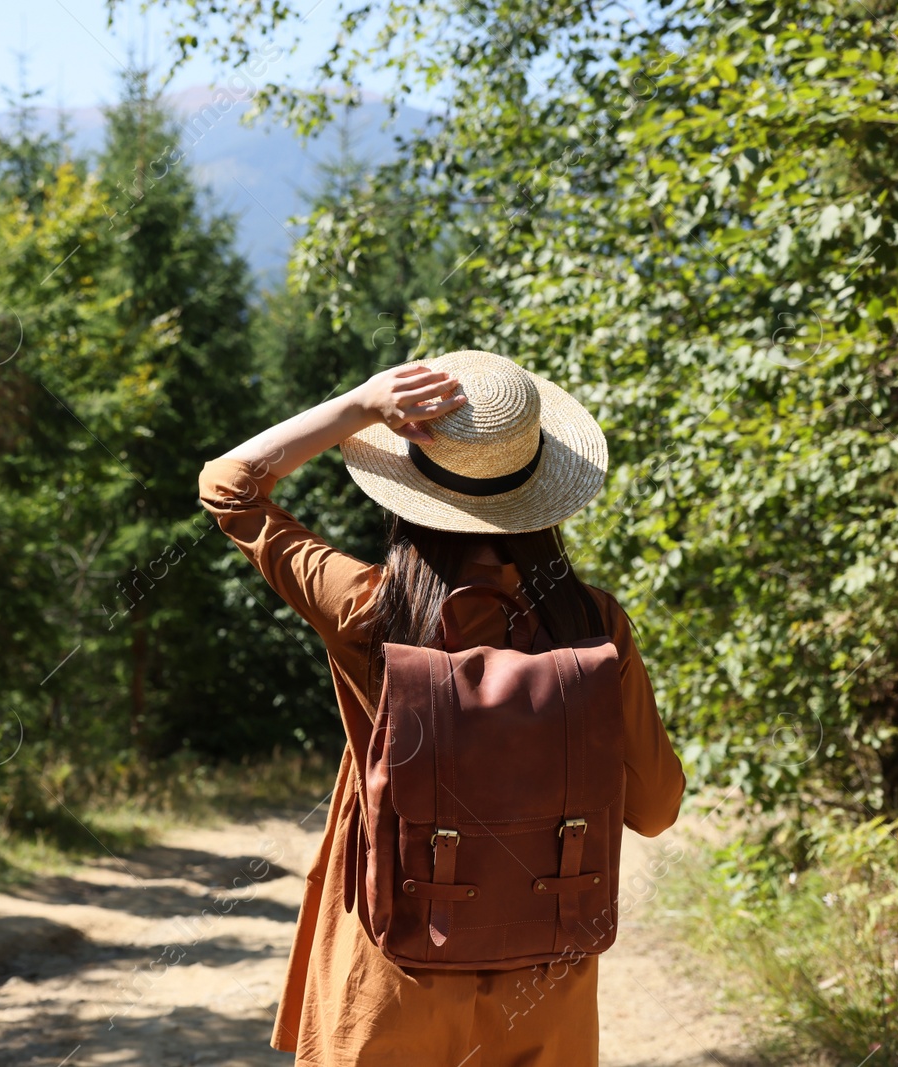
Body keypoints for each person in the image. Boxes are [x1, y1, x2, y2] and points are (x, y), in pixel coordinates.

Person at [198, 351, 686, 1067]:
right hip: (542, 990)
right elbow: (656, 806)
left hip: (392, 975)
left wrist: (361, 405)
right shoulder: (593, 625)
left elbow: (229, 486)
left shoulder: (368, 609)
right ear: (540, 490)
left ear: (407, 486)